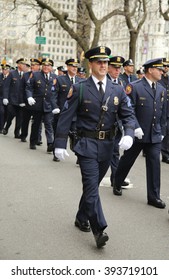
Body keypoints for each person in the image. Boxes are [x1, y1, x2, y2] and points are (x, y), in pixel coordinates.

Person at [54, 46, 135, 248]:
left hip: (108, 146)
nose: (103, 65)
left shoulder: (117, 89)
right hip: (87, 145)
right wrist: (60, 143)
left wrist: (130, 133)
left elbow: (128, 115)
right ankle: (99, 229)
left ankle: (81, 217)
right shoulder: (81, 87)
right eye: (99, 62)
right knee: (92, 187)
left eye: (105, 62)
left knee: (92, 188)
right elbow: (66, 116)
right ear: (90, 64)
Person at [113, 58, 167, 209]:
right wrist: (134, 128)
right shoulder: (134, 87)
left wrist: (162, 131)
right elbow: (129, 111)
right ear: (150, 70)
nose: (162, 72)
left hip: (154, 134)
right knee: (127, 160)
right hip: (138, 133)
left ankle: (154, 196)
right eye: (159, 69)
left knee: (154, 165)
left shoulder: (161, 89)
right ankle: (117, 181)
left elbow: (163, 112)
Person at [25, 58, 60, 151]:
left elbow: (55, 92)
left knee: (48, 124)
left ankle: (50, 144)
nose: (46, 67)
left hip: (49, 105)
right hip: (37, 104)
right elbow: (29, 87)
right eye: (44, 65)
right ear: (41, 66)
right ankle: (33, 141)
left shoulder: (55, 77)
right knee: (36, 124)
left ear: (51, 67)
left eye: (48, 65)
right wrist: (29, 97)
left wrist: (55, 106)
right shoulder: (35, 75)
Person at [107, 55, 131, 188]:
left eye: (119, 68)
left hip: (117, 122)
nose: (117, 70)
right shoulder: (104, 81)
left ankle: (115, 178)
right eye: (114, 67)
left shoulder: (121, 83)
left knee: (115, 151)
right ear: (109, 68)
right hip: (104, 122)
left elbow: (126, 103)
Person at [53, 58, 82, 162]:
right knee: (59, 132)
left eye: (76, 66)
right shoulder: (60, 79)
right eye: (72, 66)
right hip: (62, 112)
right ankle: (57, 151)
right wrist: (55, 107)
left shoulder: (80, 81)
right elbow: (53, 95)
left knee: (76, 134)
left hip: (75, 114)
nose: (74, 68)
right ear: (68, 67)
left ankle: (79, 155)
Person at [2, 58, 28, 138]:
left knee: (20, 117)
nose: (24, 66)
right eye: (22, 64)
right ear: (18, 65)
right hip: (12, 99)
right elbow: (6, 86)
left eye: (25, 64)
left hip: (21, 101)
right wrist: (5, 97)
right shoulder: (12, 73)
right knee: (11, 115)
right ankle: (6, 127)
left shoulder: (26, 74)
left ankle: (17, 133)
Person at [20, 58, 41, 143]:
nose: (32, 66)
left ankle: (34, 140)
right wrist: (21, 101)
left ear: (38, 66)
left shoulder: (41, 75)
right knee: (25, 120)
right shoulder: (25, 75)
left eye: (34, 65)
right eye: (31, 65)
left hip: (37, 103)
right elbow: (21, 89)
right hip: (26, 102)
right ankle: (23, 135)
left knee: (36, 123)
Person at [158, 58, 169, 163]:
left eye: (167, 66)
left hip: (168, 109)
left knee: (167, 132)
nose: (166, 68)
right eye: (164, 66)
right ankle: (164, 153)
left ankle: (166, 153)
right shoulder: (158, 79)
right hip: (160, 109)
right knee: (163, 130)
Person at [0, 63, 11, 133]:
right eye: (3, 69)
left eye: (6, 69)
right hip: (0, 97)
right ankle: (1, 127)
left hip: (8, 98)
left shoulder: (11, 77)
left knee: (7, 113)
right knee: (1, 111)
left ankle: (3, 125)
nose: (4, 71)